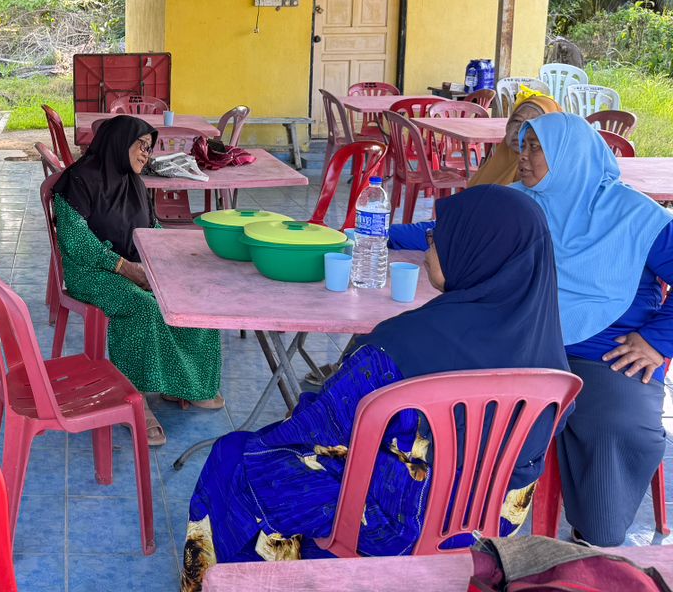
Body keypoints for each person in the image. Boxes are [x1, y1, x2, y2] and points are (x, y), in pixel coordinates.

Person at [181, 185, 569, 590]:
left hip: (393, 526)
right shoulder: (551, 360)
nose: (429, 245)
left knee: (236, 456)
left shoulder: (399, 344)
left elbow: (321, 428)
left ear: (476, 252)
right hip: (486, 528)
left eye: (439, 237)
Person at [515, 113, 673, 546]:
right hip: (528, 343)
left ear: (571, 155)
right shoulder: (519, 203)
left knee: (616, 424)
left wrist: (658, 341)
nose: (523, 157)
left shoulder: (637, 217)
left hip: (608, 353)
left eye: (535, 148)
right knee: (458, 399)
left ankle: (593, 539)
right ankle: (454, 522)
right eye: (522, 146)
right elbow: (450, 232)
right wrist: (372, 233)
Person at [54, 115, 222, 447]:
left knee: (192, 294)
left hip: (134, 265)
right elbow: (76, 242)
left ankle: (186, 384)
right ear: (118, 143)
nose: (146, 154)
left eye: (149, 147)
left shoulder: (136, 184)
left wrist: (169, 256)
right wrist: (124, 267)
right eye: (141, 145)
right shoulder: (78, 181)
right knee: (142, 307)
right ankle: (133, 402)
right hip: (92, 272)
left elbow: (151, 228)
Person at [387, 89, 561, 251]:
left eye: (532, 125)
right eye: (516, 121)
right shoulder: (500, 161)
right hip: (453, 229)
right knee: (381, 233)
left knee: (388, 237)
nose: (519, 130)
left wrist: (439, 236)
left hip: (467, 242)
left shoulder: (540, 180)